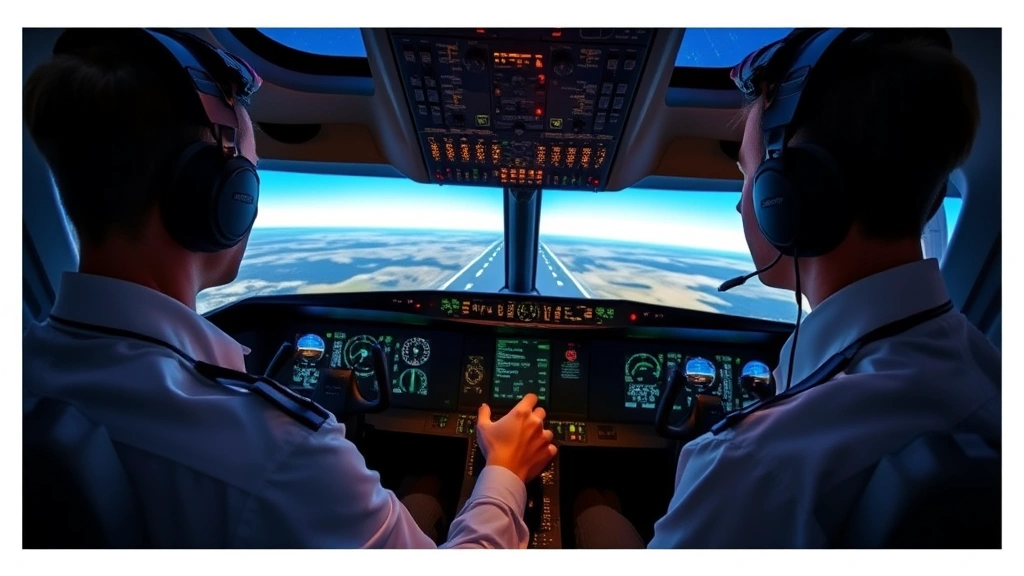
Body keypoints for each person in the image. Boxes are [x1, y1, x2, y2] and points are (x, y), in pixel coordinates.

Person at [22, 28, 557, 548]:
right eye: (251, 176)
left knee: (420, 496)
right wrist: (506, 470)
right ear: (222, 196)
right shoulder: (280, 451)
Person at [574, 28, 1000, 548]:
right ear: (931, 202)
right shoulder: (990, 371)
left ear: (786, 196)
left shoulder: (754, 463)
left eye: (746, 173)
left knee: (594, 509)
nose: (739, 204)